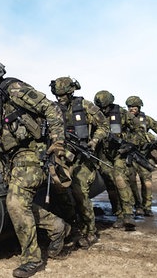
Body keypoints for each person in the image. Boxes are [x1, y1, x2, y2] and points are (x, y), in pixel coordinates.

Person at [0, 63, 70, 278]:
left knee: (16, 203)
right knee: (18, 204)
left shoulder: (13, 90)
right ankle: (56, 226)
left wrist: (57, 142)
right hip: (10, 160)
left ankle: (32, 260)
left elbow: (51, 109)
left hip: (30, 153)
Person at [49, 76, 110, 248]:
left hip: (82, 157)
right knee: (61, 191)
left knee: (80, 192)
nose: (60, 98)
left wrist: (94, 141)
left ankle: (90, 231)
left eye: (63, 95)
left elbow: (104, 126)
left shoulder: (85, 106)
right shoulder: (54, 109)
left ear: (70, 92)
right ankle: (71, 224)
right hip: (62, 155)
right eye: (57, 95)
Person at [93, 90, 147, 230]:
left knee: (120, 179)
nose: (103, 110)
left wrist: (129, 143)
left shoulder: (122, 114)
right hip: (103, 155)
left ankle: (128, 214)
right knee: (110, 184)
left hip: (119, 153)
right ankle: (119, 214)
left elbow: (140, 131)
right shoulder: (94, 114)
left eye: (105, 107)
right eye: (101, 107)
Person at [125, 95, 157, 217]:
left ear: (139, 107)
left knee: (147, 183)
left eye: (134, 107)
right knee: (131, 182)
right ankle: (138, 206)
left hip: (144, 156)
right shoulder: (124, 119)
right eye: (130, 107)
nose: (132, 109)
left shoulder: (147, 120)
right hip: (129, 155)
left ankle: (147, 207)